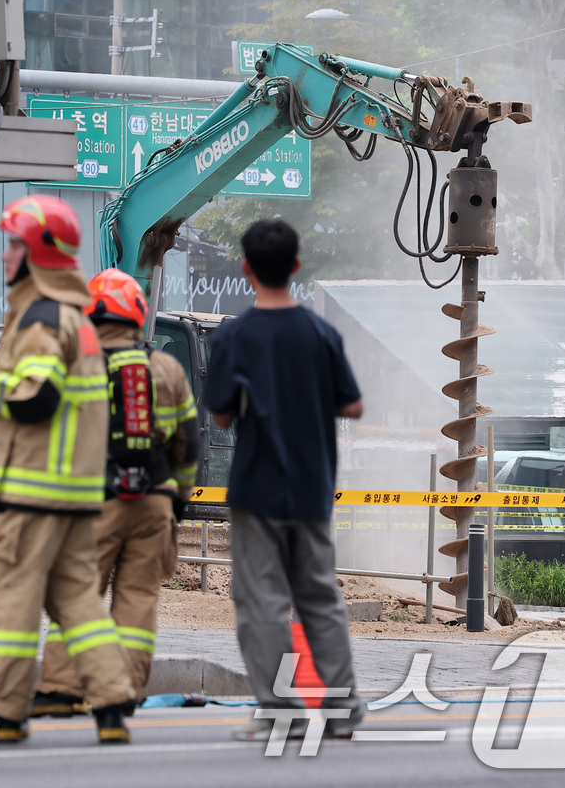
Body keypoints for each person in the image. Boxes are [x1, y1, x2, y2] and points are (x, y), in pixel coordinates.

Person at [0, 195, 136, 745]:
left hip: (32, 489)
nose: (5, 257)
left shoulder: (42, 318)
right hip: (69, 491)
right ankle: (113, 704)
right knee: (78, 602)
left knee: (9, 599)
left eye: (15, 245)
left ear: (39, 253)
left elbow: (35, 398)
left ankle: (5, 709)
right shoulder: (73, 318)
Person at [199, 218, 366, 741]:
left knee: (262, 602)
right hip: (313, 488)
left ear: (246, 269)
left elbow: (221, 415)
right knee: (320, 597)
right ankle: (342, 709)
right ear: (295, 267)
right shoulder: (322, 334)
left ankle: (282, 711)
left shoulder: (235, 336)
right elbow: (353, 403)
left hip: (256, 488)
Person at [33, 268, 200, 714]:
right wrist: (177, 503)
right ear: (137, 315)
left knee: (79, 594)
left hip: (92, 502)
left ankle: (60, 689)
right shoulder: (165, 368)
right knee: (138, 600)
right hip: (155, 503)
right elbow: (189, 445)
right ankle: (122, 690)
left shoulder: (72, 367)